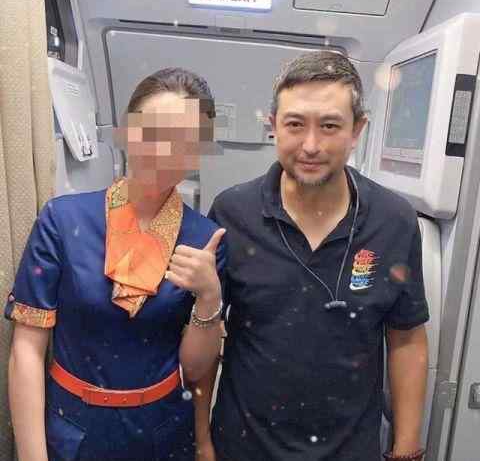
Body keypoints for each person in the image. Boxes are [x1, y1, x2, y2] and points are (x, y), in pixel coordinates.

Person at [197, 51, 429, 461]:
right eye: (295, 124)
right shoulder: (233, 213)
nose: (310, 145)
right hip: (244, 446)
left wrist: (407, 449)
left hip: (349, 450)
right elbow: (207, 331)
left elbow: (406, 338)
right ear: (273, 126)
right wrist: (202, 442)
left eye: (329, 126)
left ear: (357, 130)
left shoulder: (394, 220)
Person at [5, 67, 226, 461]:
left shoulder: (205, 241)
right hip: (74, 427)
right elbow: (27, 350)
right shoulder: (63, 220)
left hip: (162, 430)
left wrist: (210, 296)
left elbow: (194, 369)